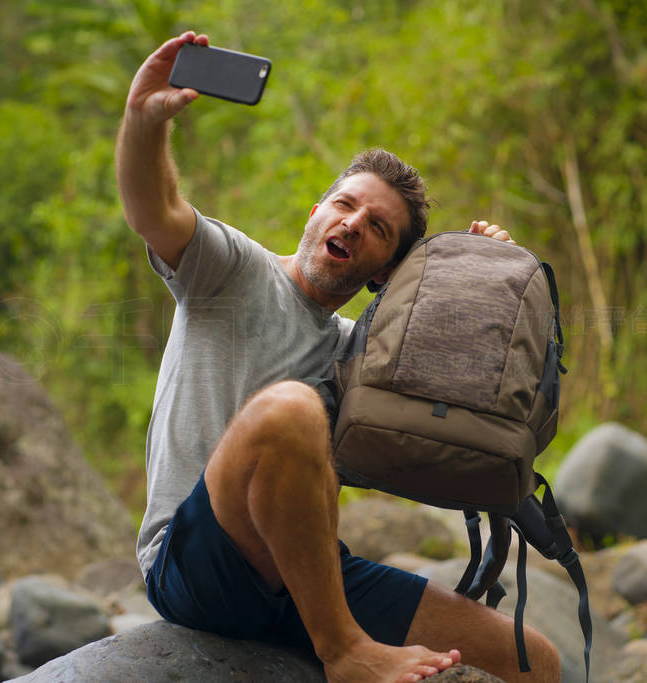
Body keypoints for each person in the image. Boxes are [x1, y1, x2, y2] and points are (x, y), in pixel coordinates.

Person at [117, 30, 562, 683]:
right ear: (315, 211)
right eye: (346, 204)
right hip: (196, 563)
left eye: (378, 227)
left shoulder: (365, 353)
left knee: (532, 661)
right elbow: (151, 207)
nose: (353, 223)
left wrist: (481, 273)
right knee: (294, 408)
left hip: (301, 570)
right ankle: (343, 650)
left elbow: (467, 409)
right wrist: (143, 121)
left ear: (386, 273)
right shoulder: (230, 271)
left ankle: (336, 629)